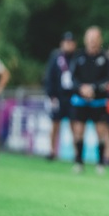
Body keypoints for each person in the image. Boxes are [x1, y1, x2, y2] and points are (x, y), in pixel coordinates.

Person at [69, 26, 109, 174]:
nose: (92, 41)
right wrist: (82, 88)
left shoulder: (105, 58)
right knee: (79, 130)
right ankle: (79, 162)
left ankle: (100, 163)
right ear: (85, 39)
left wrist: (93, 88)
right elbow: (72, 78)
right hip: (80, 100)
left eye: (95, 38)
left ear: (100, 40)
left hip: (98, 101)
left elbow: (108, 79)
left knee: (101, 131)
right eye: (90, 38)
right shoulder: (78, 56)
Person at [43, 31, 77, 160]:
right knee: (54, 124)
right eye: (67, 42)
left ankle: (76, 152)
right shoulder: (56, 58)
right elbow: (49, 77)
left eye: (71, 42)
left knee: (74, 124)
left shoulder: (76, 58)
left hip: (72, 96)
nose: (69, 45)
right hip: (58, 95)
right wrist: (51, 95)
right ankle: (51, 150)